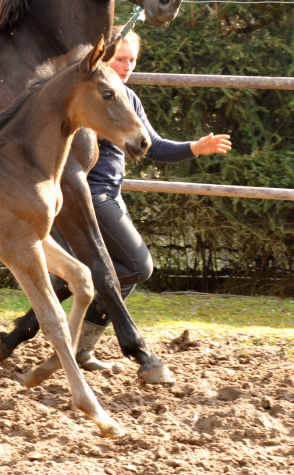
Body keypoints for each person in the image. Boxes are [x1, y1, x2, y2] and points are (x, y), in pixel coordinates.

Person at [76, 26, 232, 371]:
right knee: (138, 266)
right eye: (121, 59)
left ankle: (80, 345)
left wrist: (196, 148)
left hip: (112, 195)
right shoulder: (91, 96)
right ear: (104, 58)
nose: (127, 66)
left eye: (132, 60)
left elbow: (153, 146)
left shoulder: (128, 99)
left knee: (127, 274)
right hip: (92, 195)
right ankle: (69, 294)